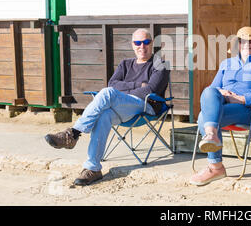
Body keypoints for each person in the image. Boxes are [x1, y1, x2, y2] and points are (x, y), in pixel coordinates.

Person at [44, 28, 169, 186]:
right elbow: (113, 83)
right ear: (132, 45)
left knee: (107, 93)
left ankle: (72, 134)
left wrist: (124, 90)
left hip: (146, 106)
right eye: (138, 42)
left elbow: (150, 90)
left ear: (152, 44)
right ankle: (93, 168)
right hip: (122, 107)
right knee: (104, 115)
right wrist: (138, 84)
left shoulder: (160, 65)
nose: (142, 46)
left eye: (146, 42)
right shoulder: (125, 64)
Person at [190, 26, 251, 186]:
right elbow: (213, 89)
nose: (247, 44)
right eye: (242, 41)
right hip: (224, 105)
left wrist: (241, 98)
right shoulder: (226, 64)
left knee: (204, 117)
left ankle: (215, 166)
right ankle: (212, 137)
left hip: (249, 110)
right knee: (208, 91)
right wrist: (223, 93)